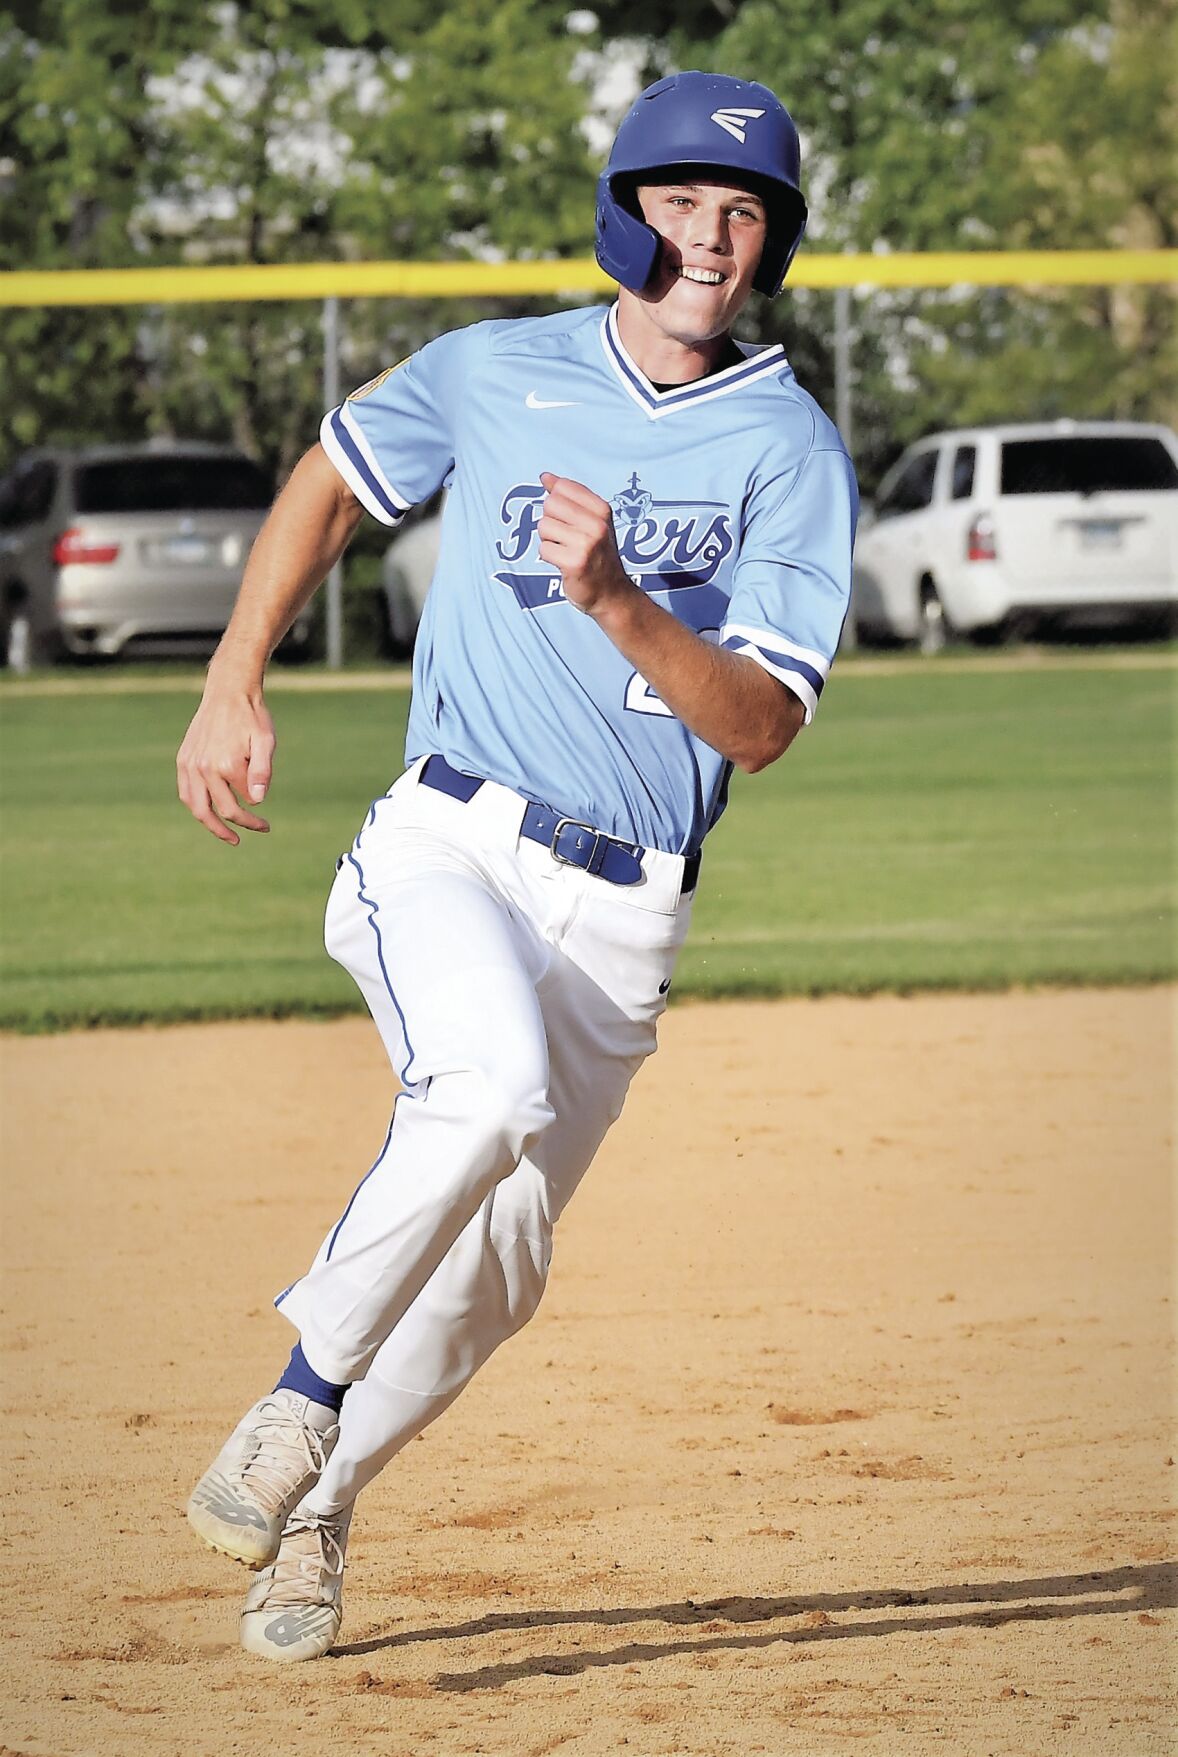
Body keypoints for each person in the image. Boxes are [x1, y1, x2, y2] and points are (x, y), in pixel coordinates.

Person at [176, 69, 857, 1663]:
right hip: (451, 839)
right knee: (478, 1091)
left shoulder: (786, 446)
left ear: (774, 244)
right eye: (684, 201)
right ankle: (295, 1399)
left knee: (495, 1275)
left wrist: (620, 598)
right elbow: (337, 476)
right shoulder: (497, 369)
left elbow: (756, 724)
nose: (712, 235)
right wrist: (232, 674)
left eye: (742, 210)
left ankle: (325, 1494)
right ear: (628, 210)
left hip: (624, 913)